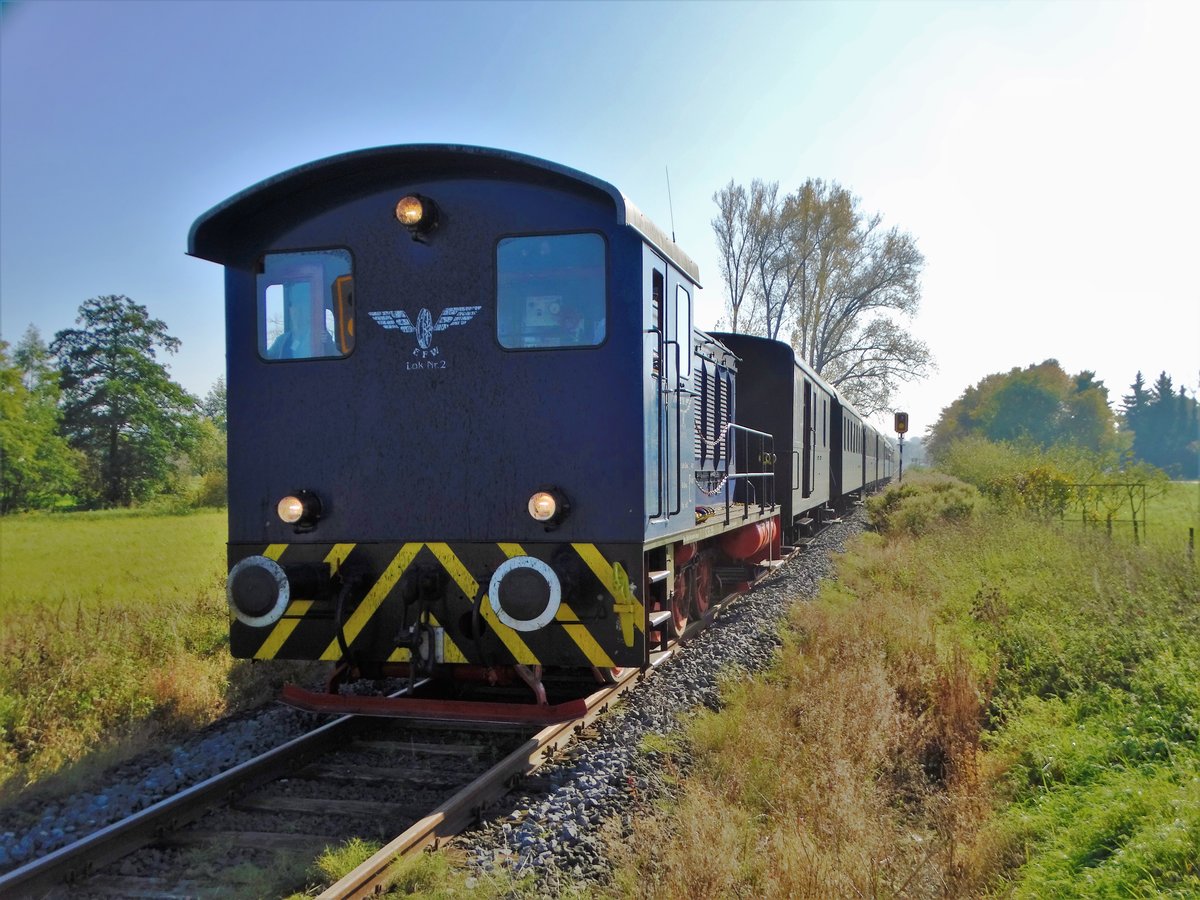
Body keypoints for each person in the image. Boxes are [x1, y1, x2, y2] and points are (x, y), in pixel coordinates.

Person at [267, 291, 338, 359]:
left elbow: (333, 355)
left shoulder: (319, 335)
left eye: (301, 310)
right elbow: (267, 357)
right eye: (293, 308)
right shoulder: (282, 340)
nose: (297, 313)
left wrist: (329, 344)